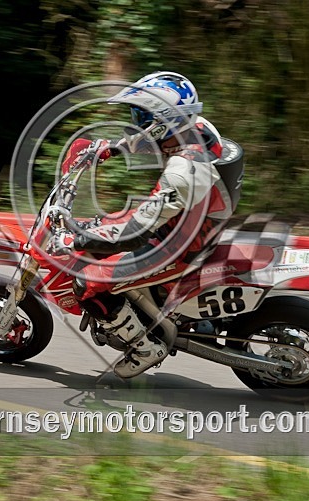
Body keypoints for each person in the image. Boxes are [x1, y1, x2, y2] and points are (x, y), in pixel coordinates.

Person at [50, 71, 235, 378]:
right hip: (190, 222)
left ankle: (145, 347)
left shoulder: (182, 171)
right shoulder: (197, 129)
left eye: (142, 115)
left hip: (177, 246)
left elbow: (133, 233)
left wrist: (74, 241)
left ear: (165, 118)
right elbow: (155, 138)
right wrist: (110, 148)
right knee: (104, 226)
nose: (137, 122)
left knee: (86, 283)